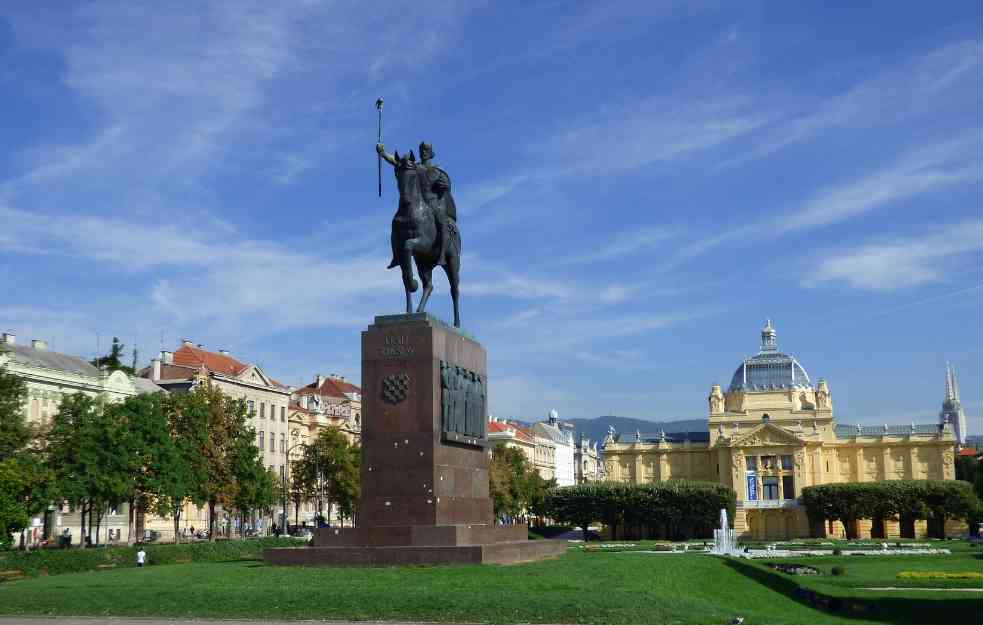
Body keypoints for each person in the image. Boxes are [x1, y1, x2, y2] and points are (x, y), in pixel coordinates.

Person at [376, 141, 457, 269]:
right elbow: (396, 162)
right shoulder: (414, 167)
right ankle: (396, 256)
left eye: (426, 150)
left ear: (431, 153)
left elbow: (446, 186)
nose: (423, 152)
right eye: (421, 150)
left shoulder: (437, 170)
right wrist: (383, 153)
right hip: (419, 203)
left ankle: (442, 255)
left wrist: (445, 186)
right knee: (396, 222)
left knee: (441, 222)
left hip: (434, 202)